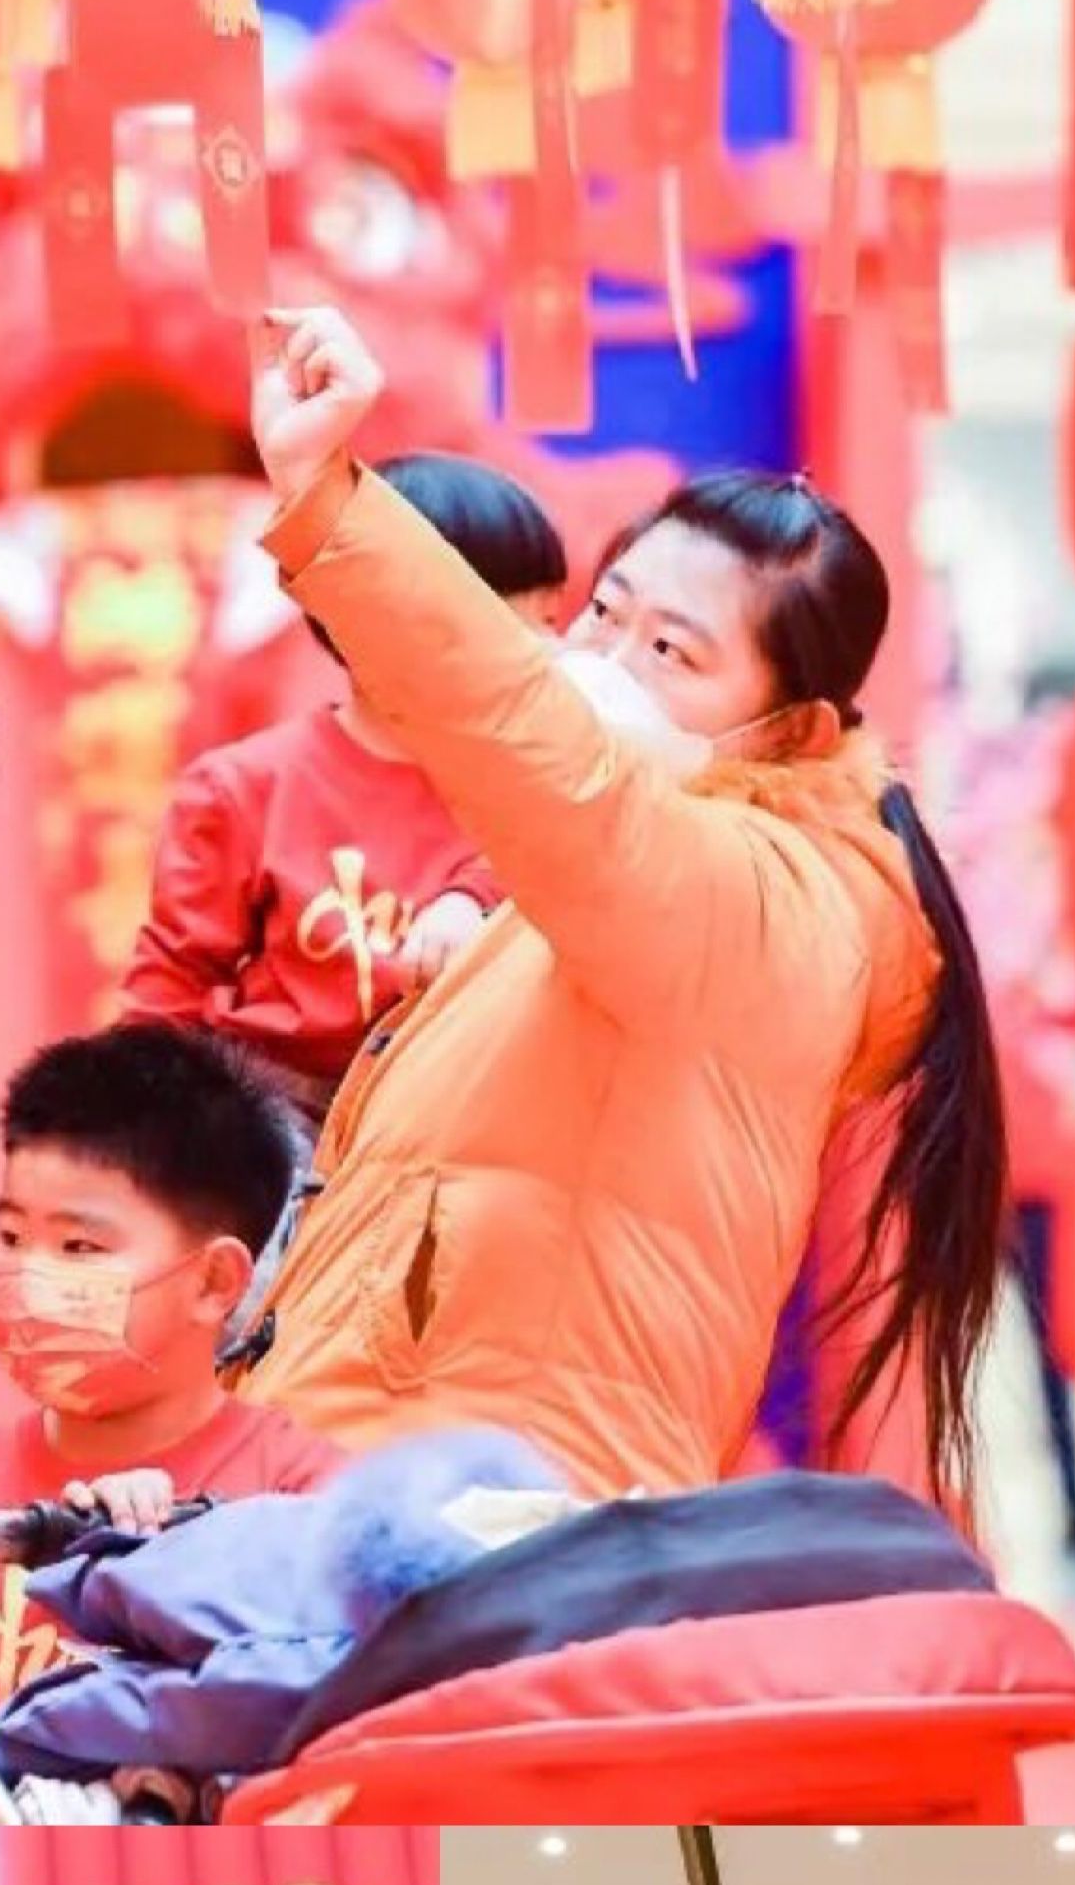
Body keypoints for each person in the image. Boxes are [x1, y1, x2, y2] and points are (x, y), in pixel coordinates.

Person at [236, 305, 1009, 1522]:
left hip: (500, 1512)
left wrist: (333, 508)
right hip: (379, 1479)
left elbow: (550, 767)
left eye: (674, 650)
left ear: (791, 727)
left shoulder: (775, 904)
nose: (610, 658)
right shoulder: (643, 841)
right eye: (609, 611)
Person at [0, 1029, 343, 1819]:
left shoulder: (307, 1495)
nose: (29, 1276)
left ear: (215, 1281)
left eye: (80, 1246)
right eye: (14, 1237)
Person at [123, 452, 570, 1105]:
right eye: (511, 627)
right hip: (286, 1128)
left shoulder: (542, 776)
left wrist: (471, 896)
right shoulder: (243, 789)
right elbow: (169, 992)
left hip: (478, 1124)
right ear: (376, 622)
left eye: (552, 625)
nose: (544, 656)